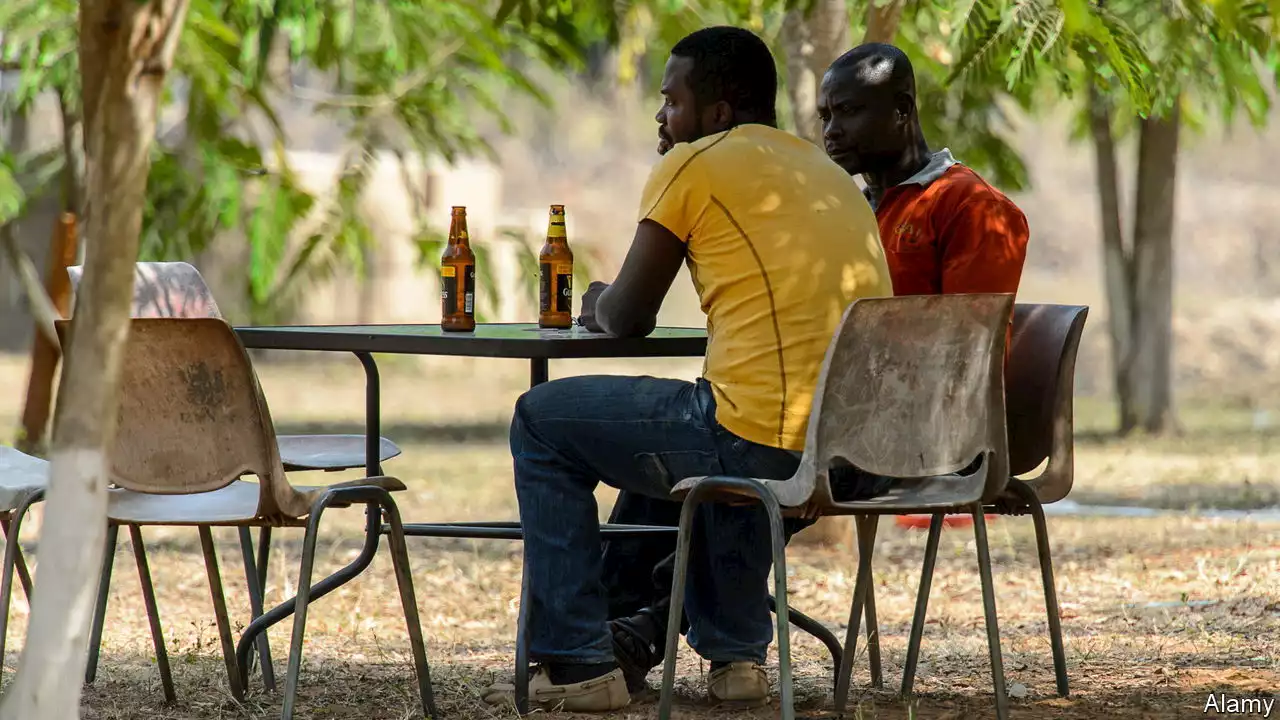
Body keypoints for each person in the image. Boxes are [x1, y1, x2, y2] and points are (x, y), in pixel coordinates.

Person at [597, 40, 1033, 695]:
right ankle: (620, 637)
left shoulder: (974, 208)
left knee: (743, 455)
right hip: (825, 417)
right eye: (825, 115)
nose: (831, 132)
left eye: (851, 113)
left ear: (904, 113)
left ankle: (647, 630)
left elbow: (970, 354)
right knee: (676, 463)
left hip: (914, 432)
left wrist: (970, 443)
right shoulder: (839, 201)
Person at [483, 26, 891, 713]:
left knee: (544, 422)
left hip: (760, 438)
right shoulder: (828, 175)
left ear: (720, 112)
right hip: (855, 447)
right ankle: (735, 661)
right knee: (702, 428)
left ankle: (581, 665)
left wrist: (592, 300)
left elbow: (627, 316)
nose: (660, 119)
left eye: (671, 101)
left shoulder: (695, 164)